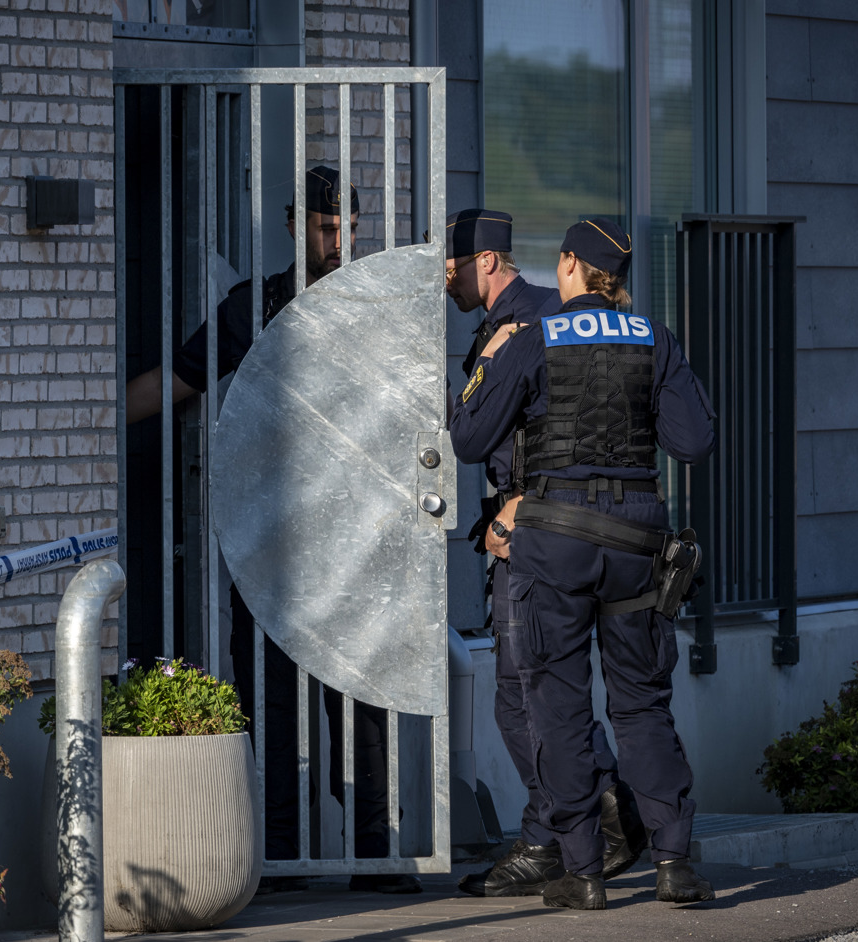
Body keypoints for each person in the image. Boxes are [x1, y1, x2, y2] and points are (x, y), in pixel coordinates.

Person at [124, 166, 421, 895]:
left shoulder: (380, 305)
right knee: (273, 701)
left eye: (348, 226)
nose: (338, 241)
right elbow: (181, 377)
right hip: (274, 543)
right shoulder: (253, 309)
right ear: (294, 224)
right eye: (325, 227)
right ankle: (283, 855)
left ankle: (374, 851)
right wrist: (81, 418)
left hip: (356, 541)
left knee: (360, 702)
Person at [448, 217, 717, 910]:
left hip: (556, 542)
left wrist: (489, 363)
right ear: (617, 277)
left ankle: (584, 873)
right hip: (636, 543)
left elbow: (471, 437)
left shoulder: (535, 337)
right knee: (642, 706)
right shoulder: (655, 338)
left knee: (559, 707)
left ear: (569, 265)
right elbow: (694, 441)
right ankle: (674, 863)